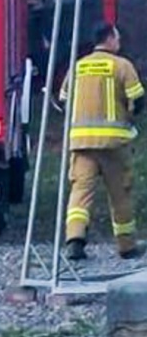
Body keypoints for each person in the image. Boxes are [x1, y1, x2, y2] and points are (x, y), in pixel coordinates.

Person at [60, 22, 145, 260]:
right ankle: (126, 246)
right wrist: (129, 117)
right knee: (120, 194)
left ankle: (75, 241)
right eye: (117, 38)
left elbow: (63, 100)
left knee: (80, 192)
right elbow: (138, 99)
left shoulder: (78, 66)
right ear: (109, 39)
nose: (119, 42)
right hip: (113, 145)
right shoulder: (122, 65)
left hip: (81, 144)